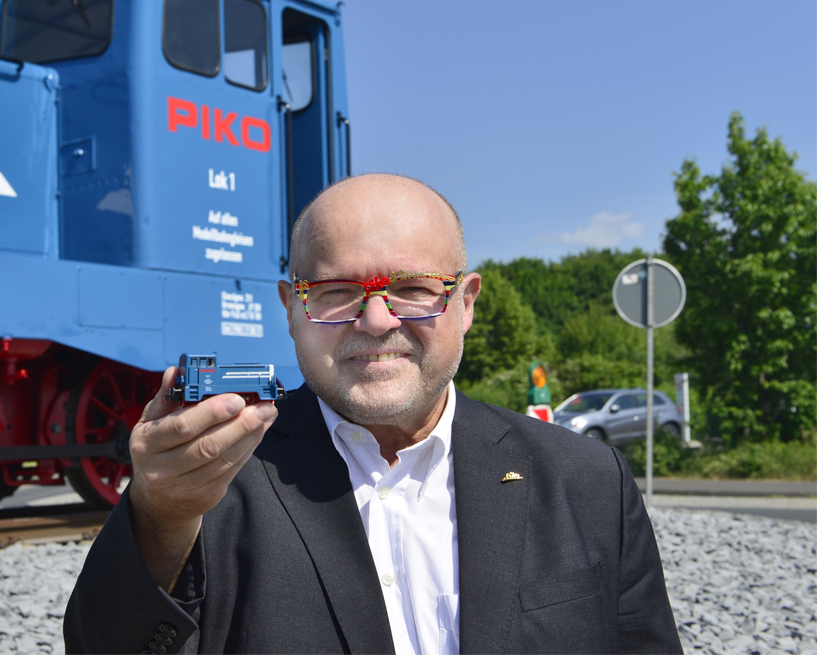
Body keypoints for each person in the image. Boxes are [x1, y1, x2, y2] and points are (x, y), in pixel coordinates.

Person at [64, 173, 682, 654]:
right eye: (336, 292)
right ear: (291, 308)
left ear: (464, 303)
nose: (378, 320)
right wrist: (159, 515)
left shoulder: (587, 481)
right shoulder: (214, 484)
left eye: (413, 289)